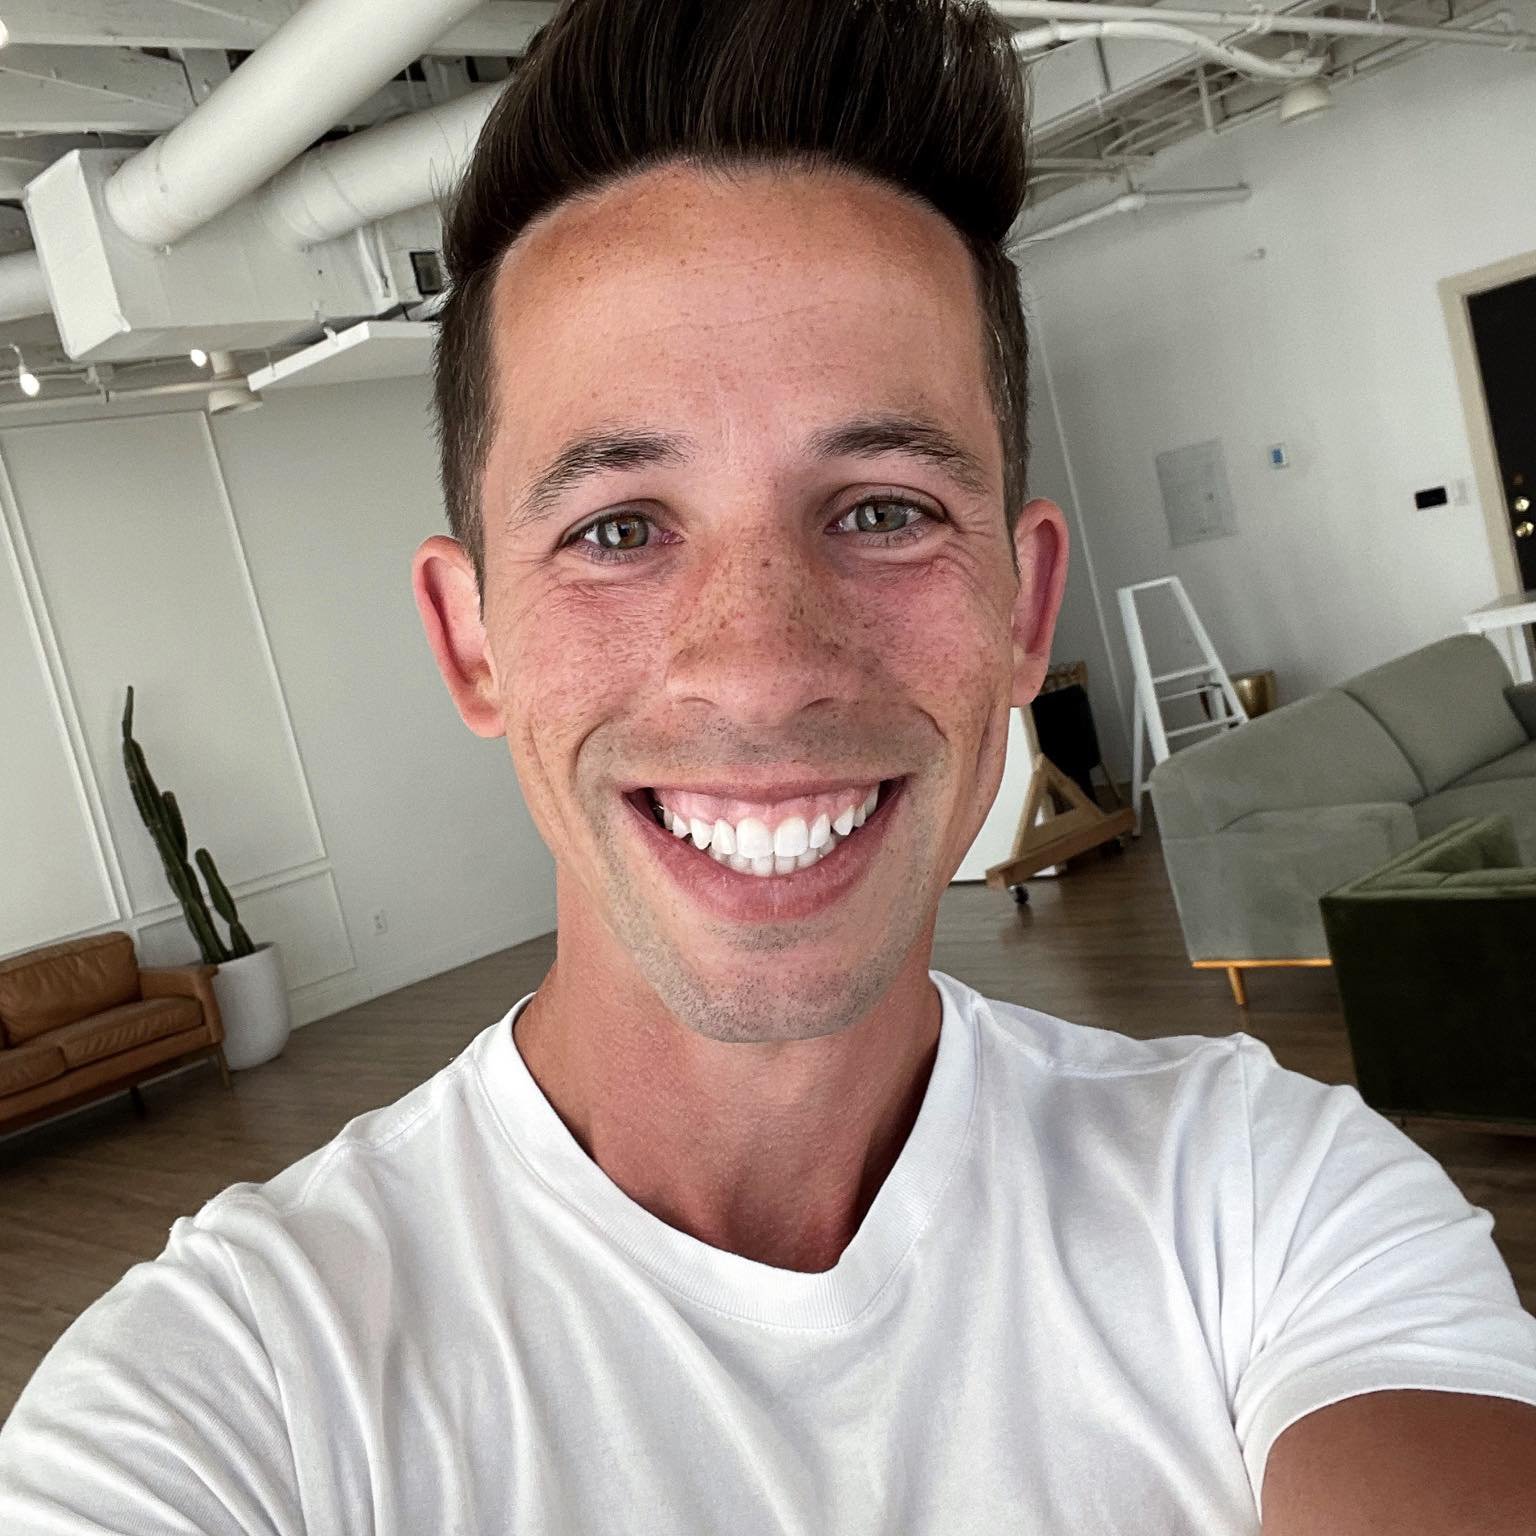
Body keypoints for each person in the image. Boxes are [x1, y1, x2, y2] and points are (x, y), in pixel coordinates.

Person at [4, 0, 1536, 1529]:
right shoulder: (232, 1398)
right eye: (618, 529)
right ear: (471, 643)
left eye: (881, 509)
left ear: (1024, 609)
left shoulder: (1271, 1195)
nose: (762, 664)